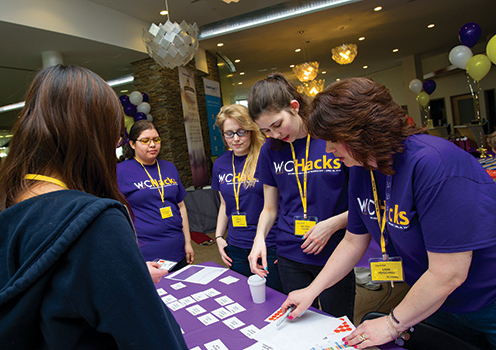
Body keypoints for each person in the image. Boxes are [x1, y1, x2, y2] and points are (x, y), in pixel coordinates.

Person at [0, 65, 187, 350]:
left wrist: (124, 274)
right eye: (115, 138)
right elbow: (152, 339)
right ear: (92, 136)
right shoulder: (96, 222)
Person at [282, 77, 496, 349]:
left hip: (487, 298)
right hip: (438, 301)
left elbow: (449, 273)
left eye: (334, 140)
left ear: (363, 132)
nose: (329, 150)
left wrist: (391, 324)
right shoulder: (361, 169)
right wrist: (312, 291)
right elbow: (352, 240)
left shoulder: (434, 164)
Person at [247, 73, 354, 319]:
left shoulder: (330, 139)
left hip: (335, 251)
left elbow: (364, 202)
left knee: (336, 323)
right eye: (265, 130)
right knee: (298, 321)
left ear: (294, 107)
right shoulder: (270, 151)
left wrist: (331, 224)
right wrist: (259, 239)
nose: (274, 134)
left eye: (276, 125)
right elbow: (270, 208)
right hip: (289, 254)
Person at [212, 104, 282, 292]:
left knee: (274, 301)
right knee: (245, 301)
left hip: (268, 245)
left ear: (251, 130)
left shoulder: (266, 156)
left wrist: (283, 245)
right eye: (229, 133)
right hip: (236, 246)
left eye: (241, 132)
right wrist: (219, 236)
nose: (236, 139)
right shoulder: (220, 164)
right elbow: (225, 204)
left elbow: (278, 204)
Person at [117, 120, 194, 271]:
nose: (152, 145)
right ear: (132, 144)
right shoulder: (120, 171)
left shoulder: (169, 167)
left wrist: (188, 242)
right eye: (145, 141)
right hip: (146, 252)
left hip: (177, 247)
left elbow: (181, 206)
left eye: (156, 140)